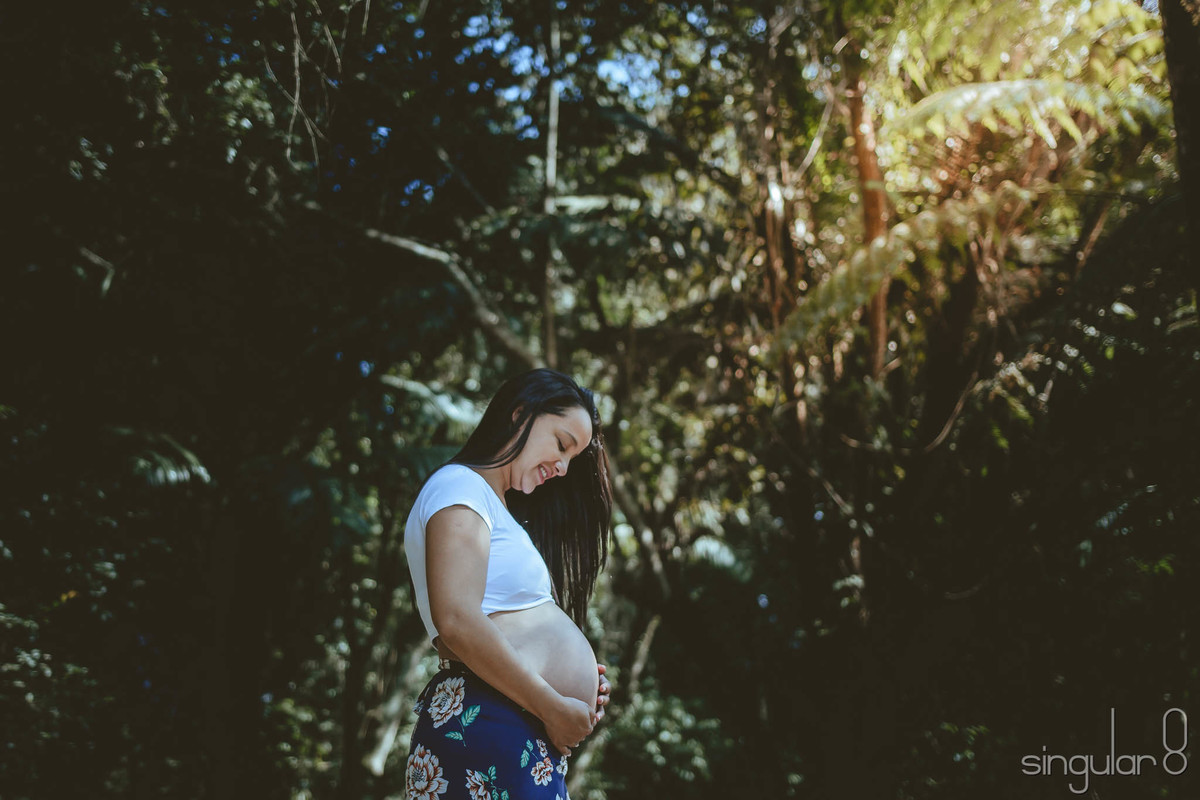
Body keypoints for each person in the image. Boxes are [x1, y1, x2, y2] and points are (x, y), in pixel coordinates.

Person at [402, 368, 614, 800]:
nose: (562, 467)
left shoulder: (495, 509)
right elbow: (457, 620)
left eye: (573, 459)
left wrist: (574, 687)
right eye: (561, 444)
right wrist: (553, 704)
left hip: (510, 726)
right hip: (486, 721)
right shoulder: (461, 487)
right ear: (520, 415)